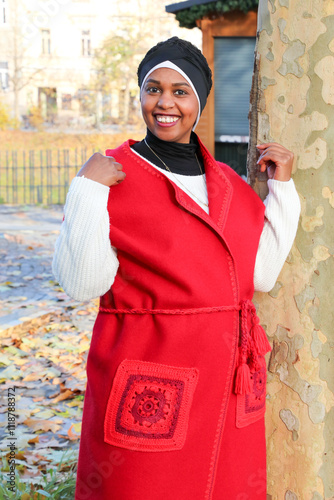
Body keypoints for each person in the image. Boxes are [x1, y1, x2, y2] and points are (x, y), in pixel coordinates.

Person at [53, 37, 300, 500]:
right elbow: (83, 283)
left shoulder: (227, 184)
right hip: (150, 382)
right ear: (141, 95)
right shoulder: (111, 175)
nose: (165, 102)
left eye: (180, 91)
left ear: (199, 101)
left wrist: (282, 193)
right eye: (153, 88)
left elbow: (259, 275)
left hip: (226, 384)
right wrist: (85, 190)